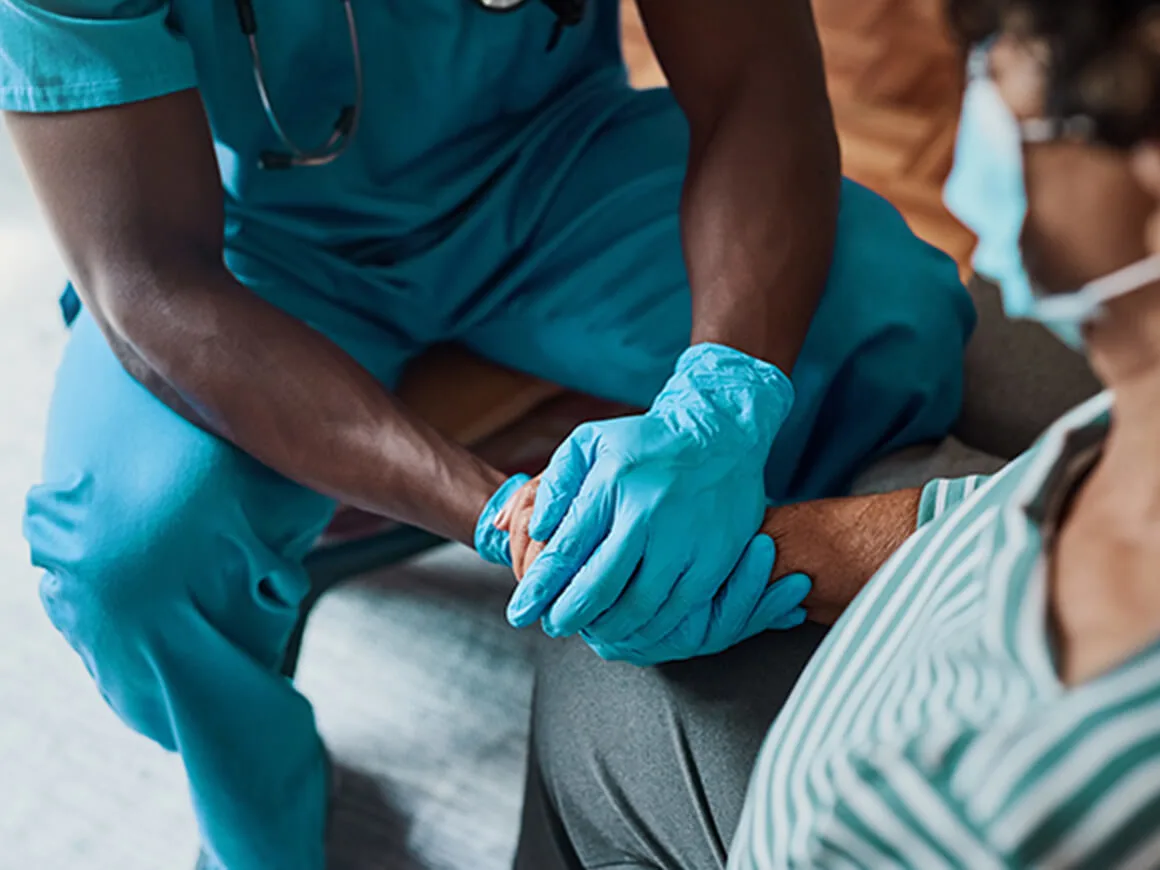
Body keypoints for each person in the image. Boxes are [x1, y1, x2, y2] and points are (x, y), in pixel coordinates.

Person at [2, 0, 972, 867]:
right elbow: (150, 285)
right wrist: (496, 512)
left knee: (889, 317)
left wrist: (720, 399)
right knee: (130, 552)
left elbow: (757, 81)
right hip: (251, 239)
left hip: (553, 159)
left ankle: (397, 517)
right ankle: (263, 808)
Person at [511, 1, 1160, 867]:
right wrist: (784, 548)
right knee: (912, 421)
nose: (984, 116)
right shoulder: (1128, 414)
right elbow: (1028, 502)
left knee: (597, 679)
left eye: (1005, 77)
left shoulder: (972, 815)